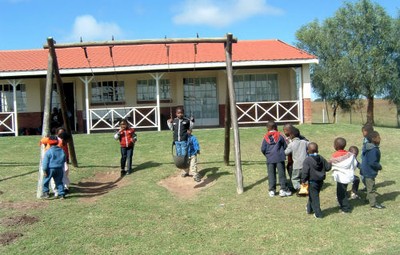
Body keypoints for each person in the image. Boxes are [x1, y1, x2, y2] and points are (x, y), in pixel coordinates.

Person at [261, 121, 292, 197]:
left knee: (271, 174)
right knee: (282, 174)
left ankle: (272, 190)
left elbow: (263, 148)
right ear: (275, 127)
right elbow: (285, 145)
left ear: (267, 128)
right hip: (279, 157)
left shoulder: (265, 137)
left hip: (270, 158)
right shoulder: (280, 135)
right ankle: (283, 189)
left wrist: (267, 155)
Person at [301, 142, 331, 218]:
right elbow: (327, 168)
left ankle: (318, 214)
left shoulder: (307, 160)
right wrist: (330, 163)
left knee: (315, 198)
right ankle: (309, 208)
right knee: (313, 195)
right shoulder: (321, 158)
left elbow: (305, 172)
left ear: (307, 151)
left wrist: (303, 180)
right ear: (317, 150)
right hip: (320, 181)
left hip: (312, 182)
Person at [329, 137, 357, 213]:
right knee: (343, 191)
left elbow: (331, 164)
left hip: (340, 178)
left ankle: (345, 208)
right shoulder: (350, 155)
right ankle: (341, 203)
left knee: (341, 193)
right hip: (348, 177)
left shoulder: (335, 155)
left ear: (336, 146)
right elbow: (355, 164)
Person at [361, 131, 385, 209]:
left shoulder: (367, 146)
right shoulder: (373, 150)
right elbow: (373, 162)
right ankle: (373, 203)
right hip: (369, 171)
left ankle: (368, 198)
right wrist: (379, 166)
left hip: (365, 169)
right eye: (378, 137)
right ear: (373, 139)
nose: (380, 138)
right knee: (371, 188)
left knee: (369, 186)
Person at [284, 126, 309, 192]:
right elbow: (311, 145)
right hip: (305, 165)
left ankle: (299, 189)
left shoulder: (291, 144)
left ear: (291, 135)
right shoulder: (304, 142)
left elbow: (286, 152)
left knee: (295, 178)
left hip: (296, 166)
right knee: (305, 178)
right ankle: (304, 190)